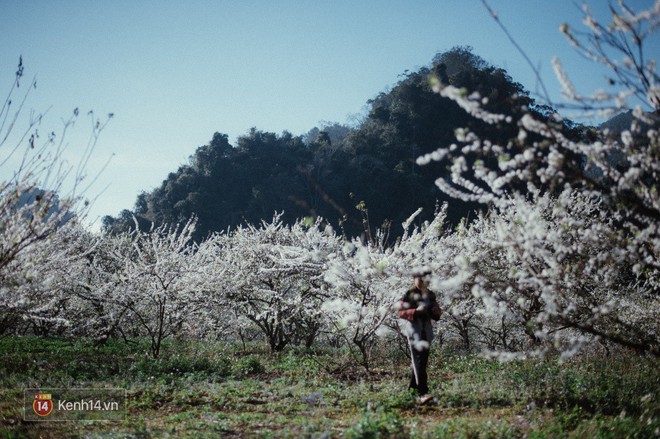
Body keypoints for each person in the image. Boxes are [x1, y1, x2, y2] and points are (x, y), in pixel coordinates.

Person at [397, 274, 441, 404]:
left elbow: (436, 311)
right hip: (414, 331)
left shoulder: (431, 295)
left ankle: (412, 390)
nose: (423, 282)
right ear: (414, 279)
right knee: (418, 361)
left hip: (426, 331)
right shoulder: (409, 294)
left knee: (422, 361)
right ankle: (423, 392)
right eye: (420, 279)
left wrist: (435, 310)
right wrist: (415, 312)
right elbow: (400, 311)